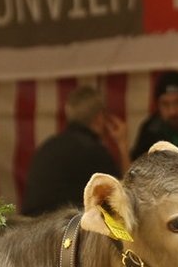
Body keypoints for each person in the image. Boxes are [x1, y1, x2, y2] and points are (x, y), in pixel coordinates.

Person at [18, 85, 130, 216]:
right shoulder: (93, 151)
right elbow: (125, 194)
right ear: (99, 118)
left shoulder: (48, 146)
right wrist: (123, 144)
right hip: (59, 225)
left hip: (31, 224)